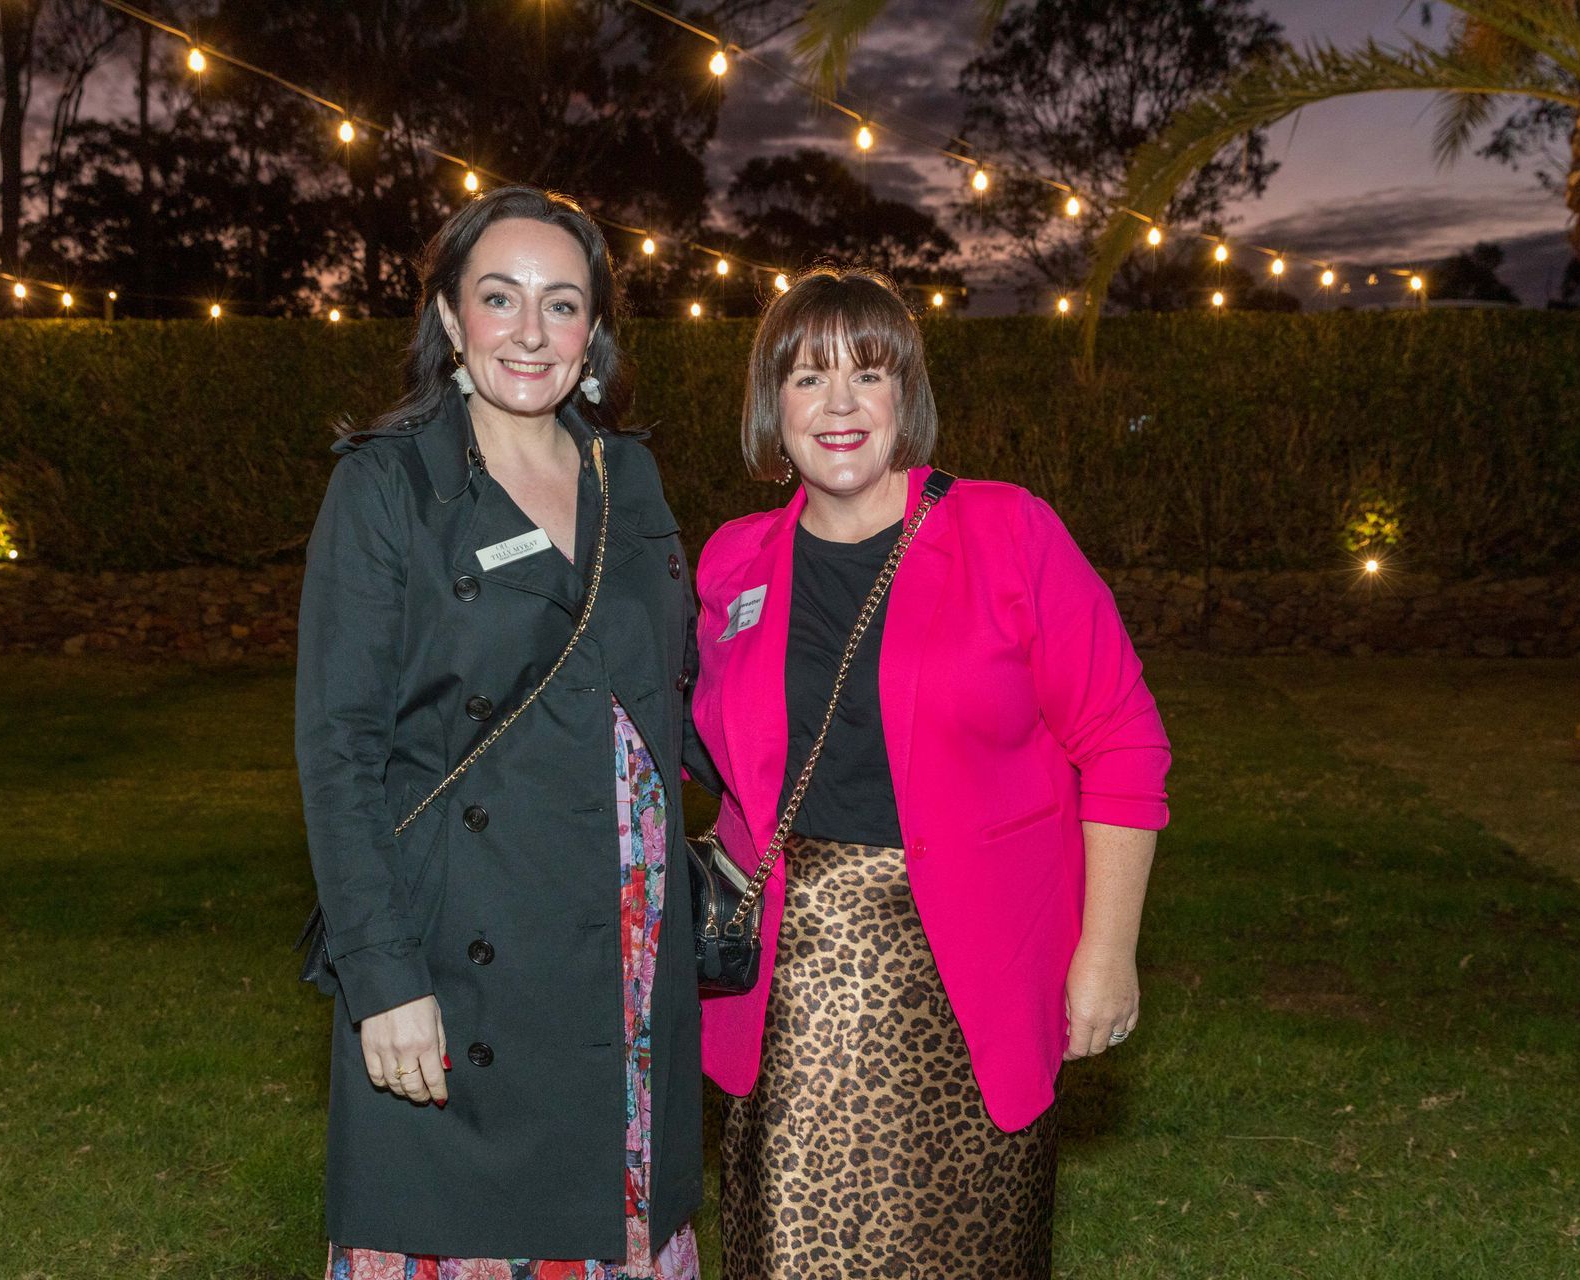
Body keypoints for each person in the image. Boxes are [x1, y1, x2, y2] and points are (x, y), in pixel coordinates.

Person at [690, 267, 1172, 1278]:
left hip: (972, 977)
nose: (838, 404)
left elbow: (1123, 743)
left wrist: (1108, 950)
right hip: (788, 996)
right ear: (769, 407)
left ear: (906, 397)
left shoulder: (1007, 531)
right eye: (808, 376)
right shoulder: (733, 562)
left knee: (969, 1251)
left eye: (868, 374)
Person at [295, 186, 702, 1279]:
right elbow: (338, 752)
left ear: (594, 332)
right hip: (454, 950)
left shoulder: (632, 475)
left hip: (624, 950)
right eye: (501, 297)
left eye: (562, 304)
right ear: (447, 317)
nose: (532, 331)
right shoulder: (389, 484)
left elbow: (676, 687)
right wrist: (380, 976)